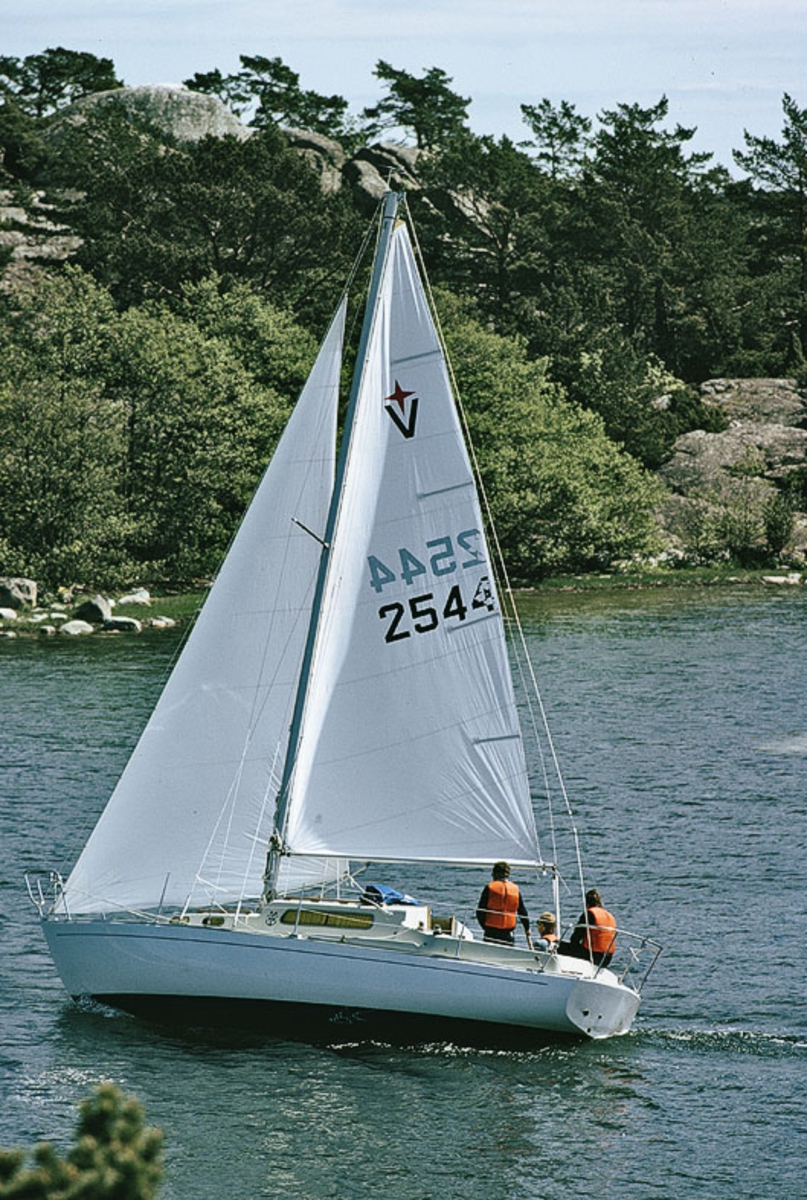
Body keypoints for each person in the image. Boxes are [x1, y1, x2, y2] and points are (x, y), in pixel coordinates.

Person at [476, 861, 533, 948]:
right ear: (508, 874)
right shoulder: (515, 889)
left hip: (491, 931)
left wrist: (485, 927)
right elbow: (523, 912)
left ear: (495, 874)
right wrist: (527, 928)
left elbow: (480, 911)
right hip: (508, 933)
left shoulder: (490, 888)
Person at [566, 888, 617, 966]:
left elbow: (575, 938)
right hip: (607, 958)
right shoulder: (610, 916)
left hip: (591, 955)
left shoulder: (589, 914)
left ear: (586, 903)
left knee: (557, 946)